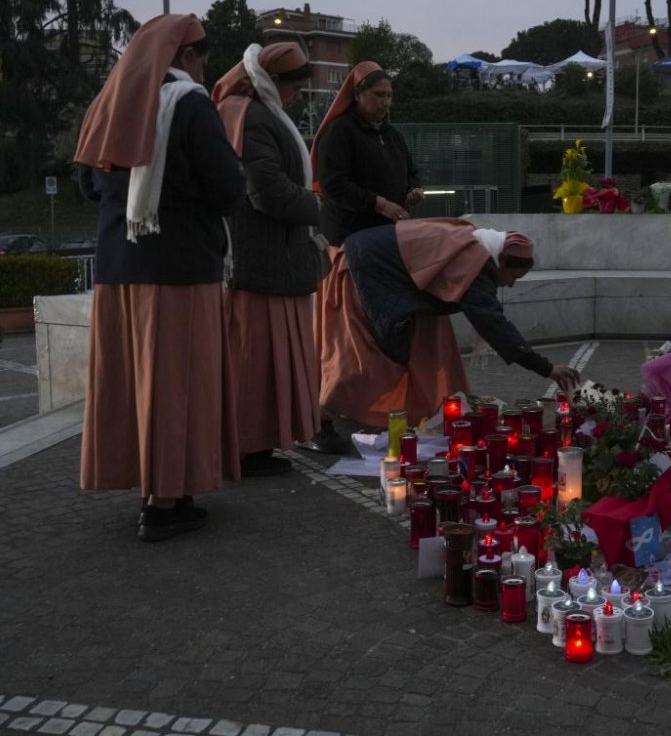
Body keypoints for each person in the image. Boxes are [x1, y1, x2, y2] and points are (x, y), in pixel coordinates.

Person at [74, 13, 245, 542]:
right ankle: (166, 500)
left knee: (135, 385)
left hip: (117, 270)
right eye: (202, 58)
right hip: (178, 268)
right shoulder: (191, 105)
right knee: (177, 385)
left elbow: (86, 182)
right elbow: (226, 191)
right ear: (187, 57)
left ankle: (153, 487)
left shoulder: (108, 103)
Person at [322, 218, 579, 428]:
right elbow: (492, 324)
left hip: (376, 266)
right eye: (513, 276)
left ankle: (405, 408)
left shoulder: (475, 243)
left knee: (418, 347)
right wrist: (545, 368)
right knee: (364, 357)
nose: (510, 284)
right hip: (363, 270)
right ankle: (322, 415)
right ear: (502, 261)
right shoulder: (475, 264)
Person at [212, 42, 323, 476]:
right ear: (273, 81)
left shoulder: (251, 110)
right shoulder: (251, 114)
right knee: (255, 365)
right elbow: (269, 191)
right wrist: (320, 208)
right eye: (294, 87)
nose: (297, 96)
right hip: (263, 262)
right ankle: (246, 448)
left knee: (258, 362)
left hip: (270, 260)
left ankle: (254, 446)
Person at [303, 61, 424, 453]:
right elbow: (334, 184)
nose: (385, 103)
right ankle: (324, 413)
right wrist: (381, 204)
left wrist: (412, 192)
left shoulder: (392, 134)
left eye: (389, 96)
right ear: (357, 96)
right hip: (349, 247)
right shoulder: (339, 134)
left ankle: (373, 409)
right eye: (378, 95)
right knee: (346, 338)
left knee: (375, 334)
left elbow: (412, 172)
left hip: (386, 248)